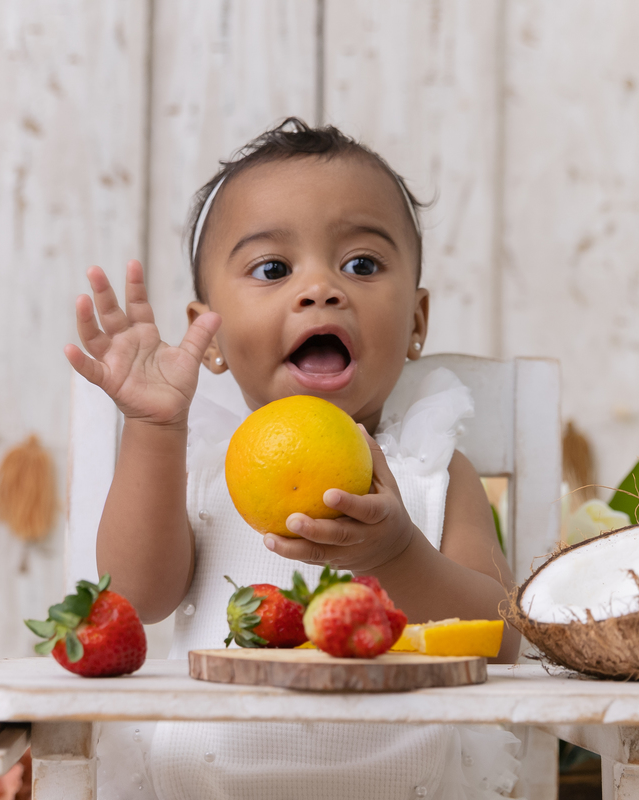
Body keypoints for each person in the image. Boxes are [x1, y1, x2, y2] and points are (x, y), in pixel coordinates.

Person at [65, 118, 522, 799]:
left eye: (361, 264)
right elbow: (135, 596)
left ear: (418, 322)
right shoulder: (198, 466)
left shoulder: (430, 469)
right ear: (209, 334)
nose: (320, 289)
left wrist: (396, 555)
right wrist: (154, 430)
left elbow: (503, 637)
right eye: (273, 269)